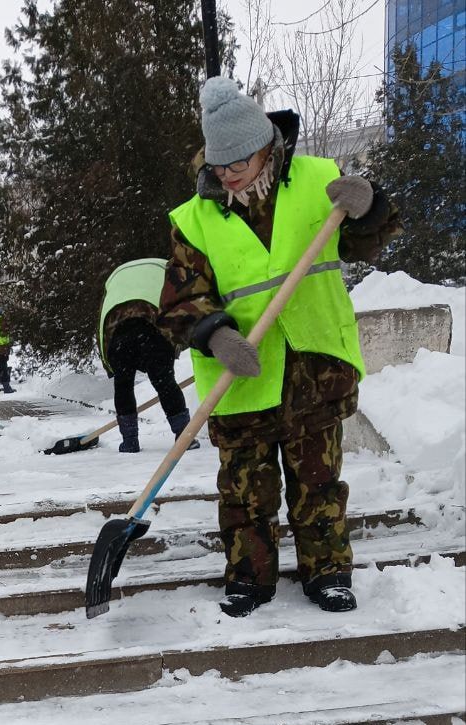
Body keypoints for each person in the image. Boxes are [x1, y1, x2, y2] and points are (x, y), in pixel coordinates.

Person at [158, 77, 401, 618]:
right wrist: (215, 334)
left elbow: (365, 241)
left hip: (316, 363)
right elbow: (179, 301)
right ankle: (250, 576)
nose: (228, 173)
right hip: (241, 376)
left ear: (266, 144)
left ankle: (328, 571)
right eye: (220, 166)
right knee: (246, 489)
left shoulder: (319, 179)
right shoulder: (193, 218)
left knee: (318, 479)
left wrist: (369, 206)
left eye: (239, 161)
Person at [98, 259, 198, 454]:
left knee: (123, 385)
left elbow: (101, 325)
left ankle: (129, 441)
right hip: (154, 332)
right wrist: (177, 344)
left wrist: (109, 364)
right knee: (165, 383)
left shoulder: (115, 282)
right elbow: (178, 307)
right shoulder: (164, 271)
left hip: (118, 333)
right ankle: (184, 435)